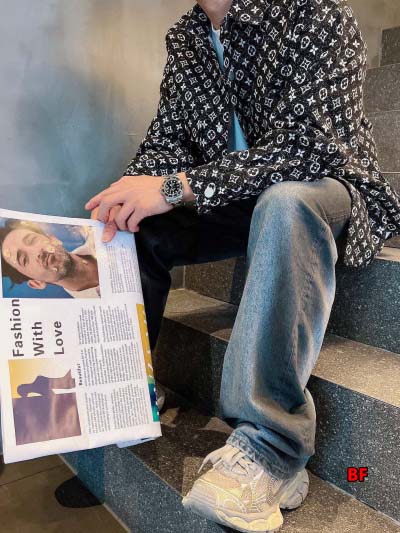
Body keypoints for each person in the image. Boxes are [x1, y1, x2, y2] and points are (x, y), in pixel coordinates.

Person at [85, 0, 400, 531]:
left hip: (329, 189)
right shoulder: (188, 35)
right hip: (239, 197)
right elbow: (169, 140)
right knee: (139, 225)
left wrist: (174, 187)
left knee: (286, 202)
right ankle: (124, 391)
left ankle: (272, 450)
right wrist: (125, 196)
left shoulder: (315, 12)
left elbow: (310, 151)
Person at [0, 220, 100, 298]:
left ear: (53, 239)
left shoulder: (98, 233)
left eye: (32, 240)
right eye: (24, 259)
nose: (37, 252)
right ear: (36, 283)